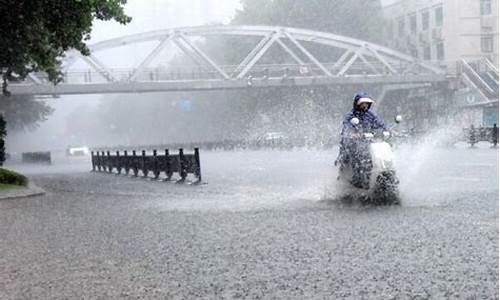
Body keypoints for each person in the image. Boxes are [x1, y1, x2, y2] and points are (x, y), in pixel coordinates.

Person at [336, 92, 388, 189]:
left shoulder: (371, 115)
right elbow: (346, 129)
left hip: (368, 144)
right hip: (352, 145)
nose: (365, 105)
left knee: (371, 155)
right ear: (357, 104)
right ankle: (357, 180)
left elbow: (381, 125)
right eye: (363, 103)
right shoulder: (351, 116)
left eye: (367, 103)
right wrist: (353, 135)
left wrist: (386, 131)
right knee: (358, 156)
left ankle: (379, 176)